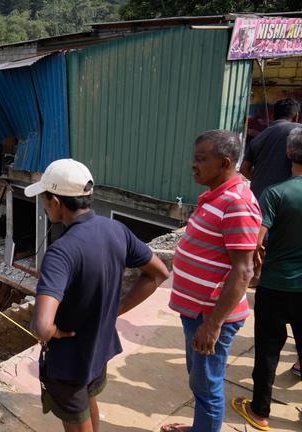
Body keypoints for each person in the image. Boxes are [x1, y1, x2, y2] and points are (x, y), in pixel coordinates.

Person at [25, 159, 170, 432]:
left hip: (70, 358)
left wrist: (55, 333)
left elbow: (41, 327)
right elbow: (158, 273)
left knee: (77, 419)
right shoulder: (116, 229)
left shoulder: (61, 252)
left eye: (44, 198)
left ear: (55, 201)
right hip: (99, 347)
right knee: (88, 400)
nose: (44, 204)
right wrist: (116, 310)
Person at [161, 130, 260, 432]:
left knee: (207, 388)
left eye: (201, 159)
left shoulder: (236, 204)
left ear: (225, 162)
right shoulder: (216, 196)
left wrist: (213, 324)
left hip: (210, 316)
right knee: (199, 380)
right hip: (198, 313)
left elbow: (243, 272)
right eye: (194, 158)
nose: (193, 165)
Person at [230, 128, 302, 431]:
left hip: (275, 286)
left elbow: (255, 242)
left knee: (268, 350)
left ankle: (260, 412)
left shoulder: (275, 193)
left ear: (288, 153)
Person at [239, 98, 302, 379]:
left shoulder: (263, 136)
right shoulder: (295, 132)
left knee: (268, 344)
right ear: (295, 115)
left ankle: (260, 409)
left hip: (265, 209)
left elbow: (255, 241)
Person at [240, 98, 301, 197]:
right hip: (288, 198)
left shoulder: (259, 137)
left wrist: (261, 182)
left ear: (273, 116)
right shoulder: (299, 131)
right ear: (295, 116)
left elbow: (244, 168)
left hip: (259, 196)